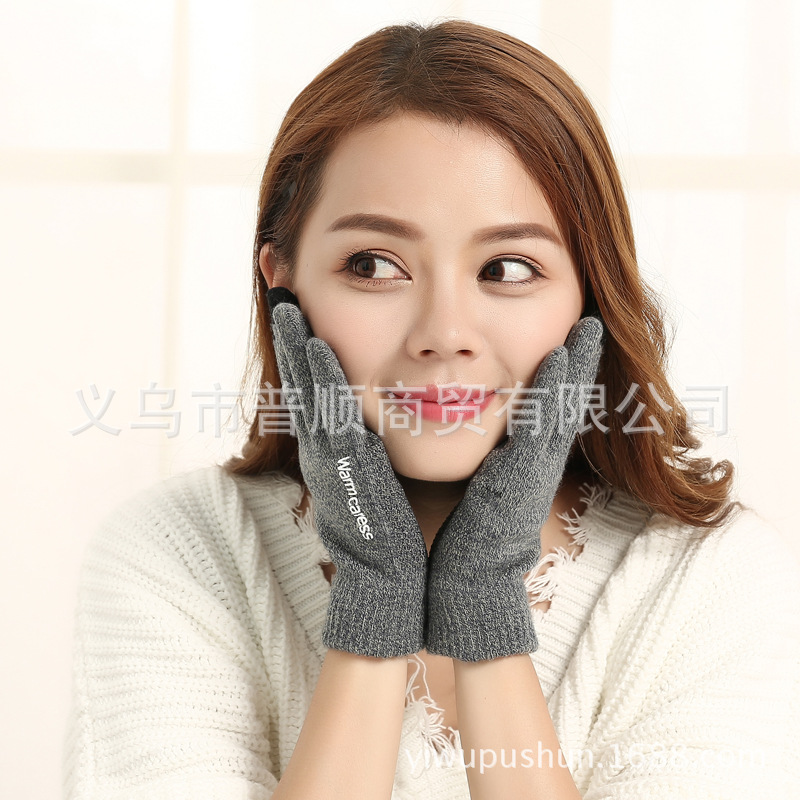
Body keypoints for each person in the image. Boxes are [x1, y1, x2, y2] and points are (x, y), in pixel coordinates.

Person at [63, 19, 800, 799]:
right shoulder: (177, 552)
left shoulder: (713, 582)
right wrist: (373, 604)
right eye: (374, 264)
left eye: (507, 268)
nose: (445, 334)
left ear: (589, 297)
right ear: (283, 284)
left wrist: (487, 609)